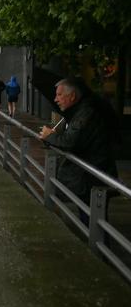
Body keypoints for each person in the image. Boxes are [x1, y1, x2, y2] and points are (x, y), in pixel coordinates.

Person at [39, 78, 118, 210]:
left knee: (91, 218)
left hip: (91, 178)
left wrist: (50, 136)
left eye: (59, 95)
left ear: (72, 96)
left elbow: (69, 142)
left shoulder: (86, 113)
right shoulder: (79, 112)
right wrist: (53, 136)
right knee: (87, 215)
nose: (55, 99)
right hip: (88, 177)